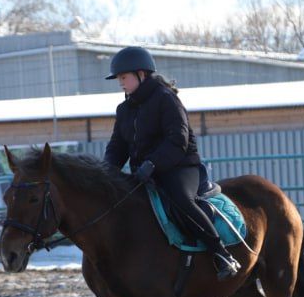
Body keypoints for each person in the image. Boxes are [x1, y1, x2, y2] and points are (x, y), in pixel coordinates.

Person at [103, 46, 241, 281]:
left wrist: (152, 164)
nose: (120, 83)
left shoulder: (166, 99)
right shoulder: (124, 109)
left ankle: (221, 254)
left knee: (181, 199)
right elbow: (118, 146)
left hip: (180, 167)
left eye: (123, 77)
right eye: (118, 78)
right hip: (144, 172)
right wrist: (105, 171)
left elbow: (178, 140)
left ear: (141, 74)